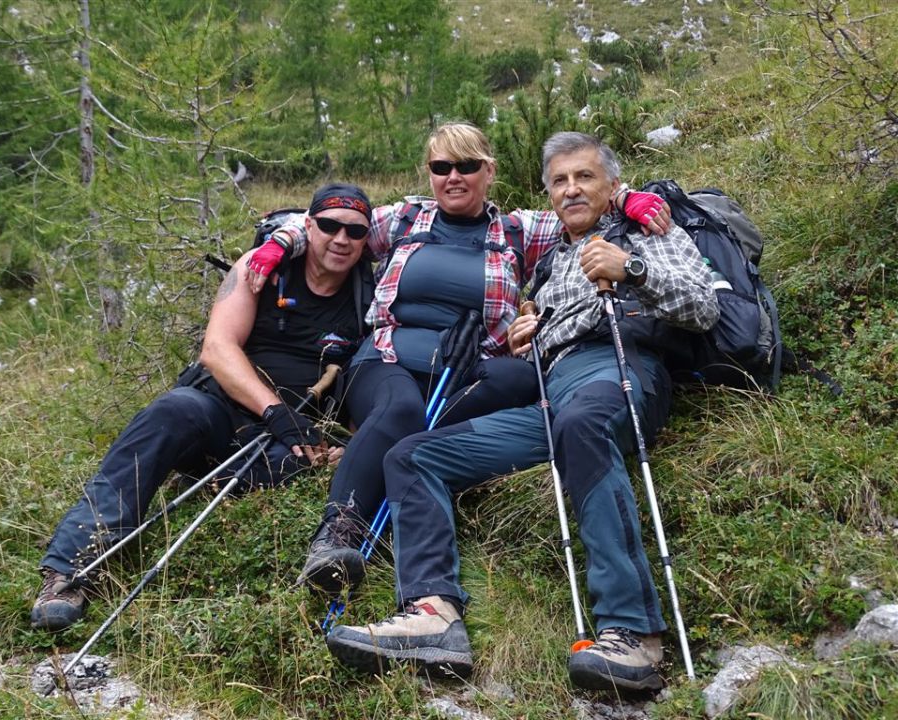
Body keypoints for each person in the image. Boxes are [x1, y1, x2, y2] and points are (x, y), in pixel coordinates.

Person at [323, 132, 720, 694]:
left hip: (619, 370)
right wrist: (530, 336)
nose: (571, 189)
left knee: (582, 424)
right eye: (560, 181)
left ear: (612, 185)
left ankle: (633, 635)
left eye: (584, 177)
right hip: (551, 392)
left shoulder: (645, 231)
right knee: (412, 455)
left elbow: (703, 306)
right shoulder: (553, 254)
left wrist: (632, 268)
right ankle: (433, 614)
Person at [245, 123, 672, 599]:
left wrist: (631, 200)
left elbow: (581, 201)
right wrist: (276, 246)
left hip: (471, 368)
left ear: (488, 171)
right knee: (402, 409)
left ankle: (391, 457)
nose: (454, 176)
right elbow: (323, 221)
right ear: (429, 173)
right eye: (440, 167)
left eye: (467, 166)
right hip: (390, 360)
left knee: (523, 376)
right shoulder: (404, 219)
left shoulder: (519, 230)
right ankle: (338, 533)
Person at [30, 183, 376, 632]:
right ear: (308, 226)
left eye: (354, 231)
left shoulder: (369, 294)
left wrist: (341, 440)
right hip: (221, 410)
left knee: (301, 468)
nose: (340, 239)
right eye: (329, 225)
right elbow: (217, 348)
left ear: (367, 237)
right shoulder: (260, 269)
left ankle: (209, 478)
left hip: (291, 438)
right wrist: (274, 411)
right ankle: (69, 570)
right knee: (171, 412)